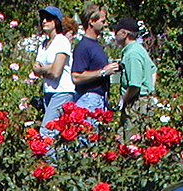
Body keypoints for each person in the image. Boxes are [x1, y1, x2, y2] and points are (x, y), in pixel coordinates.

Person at [31, 5, 75, 140]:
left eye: (48, 18)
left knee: (47, 132)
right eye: (43, 18)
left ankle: (49, 161)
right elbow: (35, 69)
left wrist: (43, 69)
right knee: (56, 132)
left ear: (56, 21)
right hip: (48, 92)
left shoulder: (61, 41)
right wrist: (46, 69)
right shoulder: (43, 45)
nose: (44, 21)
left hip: (62, 92)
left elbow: (56, 72)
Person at [113, 17, 157, 140]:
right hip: (143, 101)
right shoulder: (138, 50)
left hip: (136, 104)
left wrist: (123, 101)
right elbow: (153, 70)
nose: (114, 35)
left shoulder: (132, 54)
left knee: (132, 141)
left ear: (124, 33)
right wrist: (150, 90)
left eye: (116, 31)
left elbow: (135, 86)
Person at [71, 4, 118, 112]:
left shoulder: (96, 45)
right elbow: (76, 77)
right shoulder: (83, 47)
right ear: (91, 21)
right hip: (88, 100)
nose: (105, 24)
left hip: (99, 99)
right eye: (102, 21)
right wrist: (103, 72)